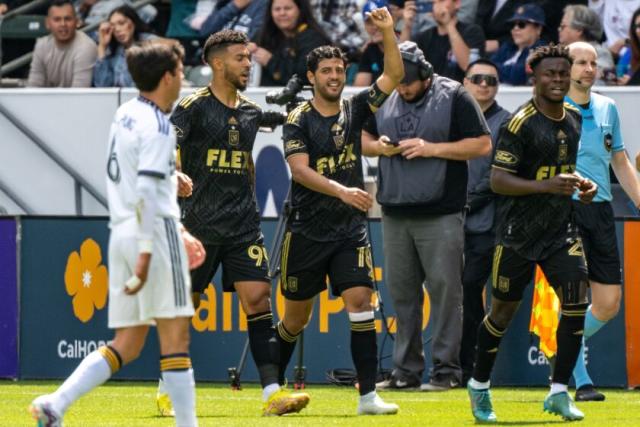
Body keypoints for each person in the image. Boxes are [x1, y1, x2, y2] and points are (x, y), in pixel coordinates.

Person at [30, 41, 204, 427]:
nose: (183, 80)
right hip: (151, 236)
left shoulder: (126, 112)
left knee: (127, 342)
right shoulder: (160, 125)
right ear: (166, 77)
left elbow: (132, 171)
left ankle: (55, 403)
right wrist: (152, 248)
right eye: (179, 72)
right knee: (175, 341)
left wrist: (168, 178)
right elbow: (145, 192)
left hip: (120, 232)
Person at [166, 29, 310, 417]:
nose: (249, 64)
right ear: (217, 63)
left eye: (249, 57)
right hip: (197, 225)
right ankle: (167, 387)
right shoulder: (193, 106)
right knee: (185, 309)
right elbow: (165, 144)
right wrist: (174, 173)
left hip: (243, 226)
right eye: (241, 58)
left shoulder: (249, 111)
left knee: (259, 298)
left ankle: (272, 394)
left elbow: (280, 117)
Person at [278, 7, 403, 415]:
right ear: (312, 77)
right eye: (326, 70)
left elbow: (394, 76)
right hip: (307, 229)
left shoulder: (356, 108)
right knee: (295, 319)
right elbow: (299, 171)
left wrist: (388, 33)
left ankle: (367, 395)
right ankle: (271, 388)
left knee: (360, 299)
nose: (334, 76)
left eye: (339, 69)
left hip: (349, 231)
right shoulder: (297, 119)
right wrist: (342, 191)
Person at [466, 44, 597, 423]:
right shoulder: (519, 124)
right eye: (549, 74)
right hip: (516, 235)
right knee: (502, 312)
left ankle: (559, 392)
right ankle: (479, 386)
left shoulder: (573, 117)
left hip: (560, 231)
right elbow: (497, 180)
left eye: (562, 73)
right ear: (533, 77)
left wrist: (580, 185)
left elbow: (560, 172)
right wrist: (547, 186)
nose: (557, 80)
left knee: (576, 303)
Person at [362, 42, 491, 391]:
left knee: (447, 295)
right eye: (397, 81)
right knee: (402, 294)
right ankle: (405, 371)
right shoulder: (382, 94)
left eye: (408, 82)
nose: (403, 88)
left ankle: (447, 371)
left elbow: (482, 144)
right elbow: (358, 134)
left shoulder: (454, 95)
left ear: (426, 74)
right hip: (395, 209)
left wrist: (431, 148)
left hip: (441, 211)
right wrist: (378, 147)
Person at [563, 41, 640, 401]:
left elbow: (621, 163)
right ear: (565, 68)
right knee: (574, 300)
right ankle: (580, 381)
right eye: (580, 62)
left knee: (608, 304)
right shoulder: (549, 108)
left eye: (593, 63)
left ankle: (560, 344)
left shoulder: (608, 107)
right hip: (563, 211)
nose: (589, 69)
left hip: (601, 210)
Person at [459, 58, 510, 386]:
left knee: (475, 292)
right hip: (451, 221)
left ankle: (472, 368)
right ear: (465, 81)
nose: (484, 84)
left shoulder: (506, 122)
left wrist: (467, 202)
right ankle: (458, 366)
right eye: (477, 78)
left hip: (488, 224)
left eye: (490, 80)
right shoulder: (453, 116)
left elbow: (498, 174)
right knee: (460, 296)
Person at [250, 0, 330, 86]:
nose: (282, 13)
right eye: (277, 9)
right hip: (260, 96)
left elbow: (305, 77)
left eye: (287, 8)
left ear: (300, 10)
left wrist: (271, 62)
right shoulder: (264, 34)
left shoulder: (313, 39)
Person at [27, 0, 97, 88]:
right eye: (57, 19)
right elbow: (33, 86)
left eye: (68, 19)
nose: (63, 24)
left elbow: (79, 93)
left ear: (77, 22)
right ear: (47, 23)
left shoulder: (86, 47)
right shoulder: (42, 45)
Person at [413, 0, 485, 82]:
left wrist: (449, 24)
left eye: (441, 1)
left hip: (461, 91)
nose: (436, 6)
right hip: (433, 91)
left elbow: (468, 66)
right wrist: (408, 26)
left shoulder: (473, 31)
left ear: (457, 3)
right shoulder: (424, 36)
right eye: (433, 2)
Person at [94, 5, 159, 87]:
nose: (117, 29)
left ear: (133, 22)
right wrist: (102, 47)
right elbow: (102, 85)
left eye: (121, 23)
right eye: (113, 26)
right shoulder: (113, 49)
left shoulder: (150, 41)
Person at [490, 3, 546, 86]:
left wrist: (494, 70)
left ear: (538, 29)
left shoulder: (543, 51)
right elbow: (487, 66)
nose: (516, 28)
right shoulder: (507, 47)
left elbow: (519, 76)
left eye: (521, 24)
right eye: (513, 25)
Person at [558, 5, 614, 85]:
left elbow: (596, 82)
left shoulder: (600, 53)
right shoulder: (560, 53)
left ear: (579, 30)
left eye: (563, 26)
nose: (559, 29)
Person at [199, 0, 267, 40]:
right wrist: (234, 7)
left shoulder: (264, 4)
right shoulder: (226, 2)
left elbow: (256, 40)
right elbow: (205, 31)